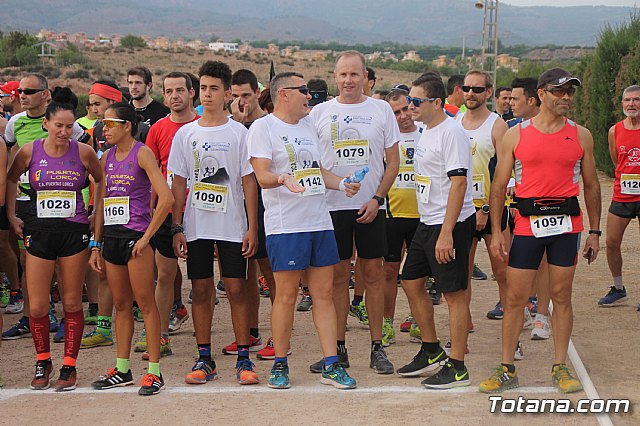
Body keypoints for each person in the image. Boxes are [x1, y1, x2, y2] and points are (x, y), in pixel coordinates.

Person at [479, 68, 601, 394]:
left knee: (561, 296)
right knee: (515, 298)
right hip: (527, 224)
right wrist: (497, 231)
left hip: (566, 225)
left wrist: (594, 232)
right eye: (559, 91)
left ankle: (560, 366)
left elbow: (591, 186)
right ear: (542, 94)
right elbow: (499, 186)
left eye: (570, 92)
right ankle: (507, 367)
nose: (566, 98)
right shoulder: (516, 135)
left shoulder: (581, 135)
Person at [249, 71, 360, 389]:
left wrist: (341, 184)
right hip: (287, 227)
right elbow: (261, 174)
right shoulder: (263, 127)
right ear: (283, 94)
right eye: (303, 91)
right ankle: (280, 364)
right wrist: (282, 178)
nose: (310, 96)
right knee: (284, 296)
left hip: (319, 222)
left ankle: (331, 365)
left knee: (323, 294)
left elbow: (316, 169)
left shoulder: (309, 125)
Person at [168, 60, 260, 386]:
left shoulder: (239, 133)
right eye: (203, 88)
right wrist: (177, 226)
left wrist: (251, 227)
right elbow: (178, 183)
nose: (207, 94)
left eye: (214, 89)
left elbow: (249, 182)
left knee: (236, 289)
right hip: (197, 227)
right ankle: (204, 358)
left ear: (226, 94)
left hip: (233, 225)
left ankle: (245, 359)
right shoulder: (186, 134)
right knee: (202, 290)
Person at [310, 51, 400, 375]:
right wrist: (336, 185)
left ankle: (377, 348)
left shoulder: (381, 110)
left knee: (373, 276)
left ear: (365, 77)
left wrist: (377, 198)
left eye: (354, 74)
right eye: (343, 75)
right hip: (333, 208)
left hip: (372, 207)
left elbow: (394, 162)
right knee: (336, 279)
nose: (348, 80)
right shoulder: (319, 113)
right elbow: (313, 165)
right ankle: (338, 349)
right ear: (335, 77)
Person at [6, 102, 102, 391]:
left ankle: (69, 366)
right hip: (39, 232)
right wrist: (11, 214)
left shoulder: (83, 152)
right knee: (36, 306)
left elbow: (100, 178)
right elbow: (12, 178)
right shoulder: (29, 151)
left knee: (72, 302)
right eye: (58, 125)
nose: (64, 131)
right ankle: (43, 360)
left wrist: (96, 208)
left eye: (69, 126)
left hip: (73, 232)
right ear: (46, 124)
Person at [395, 75, 475, 389]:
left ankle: (457, 366)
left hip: (449, 224)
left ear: (437, 103)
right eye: (409, 100)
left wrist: (447, 233)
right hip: (427, 222)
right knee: (410, 281)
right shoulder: (426, 130)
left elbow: (459, 183)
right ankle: (431, 349)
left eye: (416, 101)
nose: (410, 106)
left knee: (454, 295)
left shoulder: (451, 133)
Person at [89, 103, 173, 396]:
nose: (104, 128)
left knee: (145, 304)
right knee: (121, 306)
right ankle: (122, 369)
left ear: (127, 125)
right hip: (111, 239)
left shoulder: (143, 153)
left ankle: (154, 372)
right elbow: (100, 203)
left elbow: (166, 199)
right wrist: (95, 245)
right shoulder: (106, 157)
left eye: (110, 123)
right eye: (103, 123)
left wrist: (147, 237)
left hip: (135, 239)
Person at [2, 73, 89, 340]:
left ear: (45, 94)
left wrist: (87, 205)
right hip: (29, 203)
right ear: (46, 124)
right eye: (19, 92)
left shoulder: (70, 127)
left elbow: (88, 164)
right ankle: (33, 315)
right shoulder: (14, 123)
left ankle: (65, 316)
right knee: (29, 261)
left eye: (28, 91)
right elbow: (10, 169)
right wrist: (11, 211)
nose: (22, 96)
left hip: (68, 209)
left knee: (65, 266)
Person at [145, 72, 199, 357]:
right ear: (163, 96)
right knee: (164, 274)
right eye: (169, 91)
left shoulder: (203, 125)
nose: (174, 95)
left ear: (192, 93)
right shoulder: (157, 129)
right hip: (167, 212)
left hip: (201, 207)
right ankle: (161, 335)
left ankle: (206, 341)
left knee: (201, 279)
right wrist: (152, 211)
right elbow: (154, 173)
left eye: (180, 90)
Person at [456, 70, 509, 353]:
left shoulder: (497, 126)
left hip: (493, 212)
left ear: (489, 92)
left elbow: (503, 172)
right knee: (461, 275)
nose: (471, 94)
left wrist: (487, 208)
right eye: (467, 88)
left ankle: (514, 338)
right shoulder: (455, 123)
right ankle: (461, 332)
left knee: (502, 273)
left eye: (477, 89)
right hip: (463, 211)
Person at [221, 69, 273, 358]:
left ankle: (280, 337)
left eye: (247, 95)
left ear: (257, 94)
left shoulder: (268, 125)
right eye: (236, 95)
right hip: (234, 207)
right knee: (245, 274)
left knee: (270, 272)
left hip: (265, 207)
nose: (241, 101)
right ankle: (251, 333)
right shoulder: (230, 127)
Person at [381, 88, 421, 347]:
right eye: (396, 112)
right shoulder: (385, 141)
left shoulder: (427, 135)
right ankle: (387, 324)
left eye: (406, 108)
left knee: (418, 274)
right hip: (392, 214)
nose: (403, 116)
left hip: (422, 215)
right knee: (389, 272)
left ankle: (418, 321)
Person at [597, 84, 640, 308]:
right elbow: (617, 162)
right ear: (622, 103)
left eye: (636, 100)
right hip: (622, 195)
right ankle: (619, 288)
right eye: (627, 100)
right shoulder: (615, 130)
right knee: (611, 242)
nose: (631, 104)